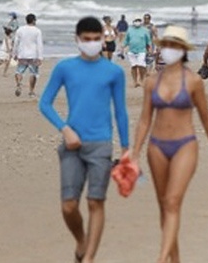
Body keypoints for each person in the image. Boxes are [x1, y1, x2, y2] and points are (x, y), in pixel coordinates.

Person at [38, 17, 129, 263]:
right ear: (77, 40)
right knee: (69, 205)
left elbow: (120, 111)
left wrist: (126, 148)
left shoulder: (114, 72)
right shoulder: (64, 68)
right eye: (86, 39)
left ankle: (88, 258)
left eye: (96, 39)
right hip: (72, 144)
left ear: (103, 38)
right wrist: (64, 129)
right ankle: (81, 240)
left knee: (95, 201)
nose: (91, 43)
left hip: (101, 143)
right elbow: (44, 103)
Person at [130, 25, 208, 262]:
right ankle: (175, 259)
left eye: (174, 46)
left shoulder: (193, 81)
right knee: (164, 206)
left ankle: (161, 259)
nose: (168, 50)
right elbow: (144, 120)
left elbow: (206, 118)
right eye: (166, 45)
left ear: (182, 50)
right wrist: (135, 152)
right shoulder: (152, 82)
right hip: (157, 146)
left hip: (185, 145)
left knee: (172, 201)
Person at [13, 13, 44, 98]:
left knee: (19, 71)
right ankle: (31, 91)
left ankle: (19, 83)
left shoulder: (20, 30)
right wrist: (40, 57)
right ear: (34, 20)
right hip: (33, 55)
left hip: (22, 54)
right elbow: (39, 44)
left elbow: (16, 43)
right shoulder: (37, 31)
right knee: (33, 73)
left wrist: (14, 54)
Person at [123, 17, 152, 89]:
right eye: (136, 20)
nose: (137, 21)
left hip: (142, 51)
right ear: (133, 21)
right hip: (131, 51)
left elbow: (148, 41)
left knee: (141, 65)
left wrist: (150, 49)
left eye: (138, 20)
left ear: (141, 21)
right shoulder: (130, 30)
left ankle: (142, 79)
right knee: (134, 66)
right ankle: (135, 81)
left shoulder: (145, 30)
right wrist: (122, 47)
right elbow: (126, 40)